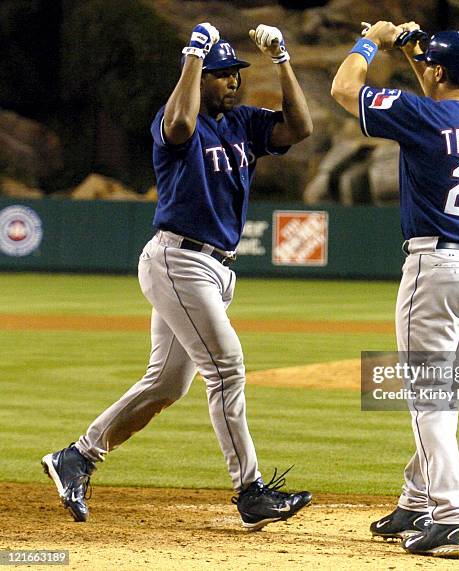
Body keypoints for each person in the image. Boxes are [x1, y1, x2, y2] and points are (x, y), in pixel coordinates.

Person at [42, 21, 313, 531]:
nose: (232, 81)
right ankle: (250, 491)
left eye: (235, 74)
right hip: (179, 259)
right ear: (198, 77)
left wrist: (282, 61)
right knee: (228, 367)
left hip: (213, 268)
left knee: (166, 383)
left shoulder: (244, 123)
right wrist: (193, 55)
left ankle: (76, 457)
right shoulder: (175, 122)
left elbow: (299, 129)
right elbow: (180, 127)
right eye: (222, 74)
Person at [332, 21, 459, 558]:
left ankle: (450, 521)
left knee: (428, 400)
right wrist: (419, 52)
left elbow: (345, 89)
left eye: (429, 65)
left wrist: (375, 42)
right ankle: (415, 500)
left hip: (437, 270)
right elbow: (442, 97)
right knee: (445, 393)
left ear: (437, 71)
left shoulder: (426, 115)